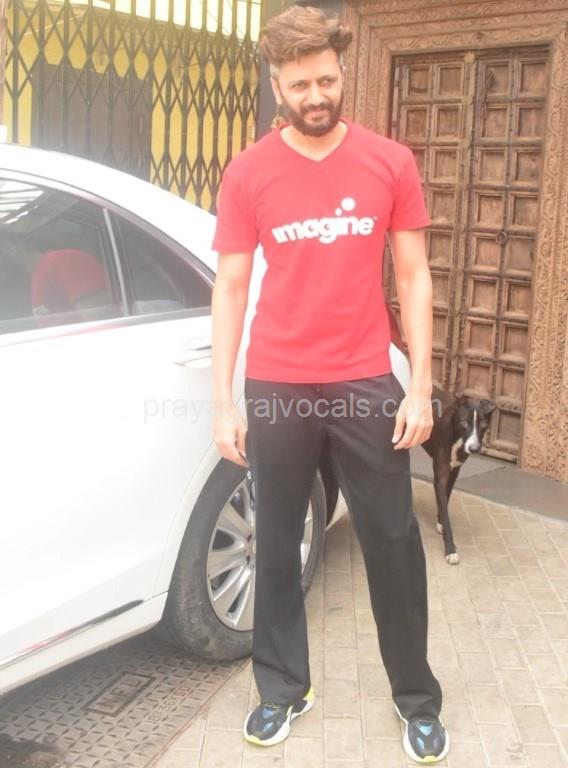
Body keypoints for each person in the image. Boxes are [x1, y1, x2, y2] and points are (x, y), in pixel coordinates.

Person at [210, 5, 448, 764]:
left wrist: (421, 386)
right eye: (300, 84)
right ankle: (282, 688)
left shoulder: (389, 162)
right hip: (278, 382)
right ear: (277, 86)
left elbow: (413, 276)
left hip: (365, 381)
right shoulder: (249, 172)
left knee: (393, 540)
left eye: (326, 79)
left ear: (342, 74)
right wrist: (225, 400)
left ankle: (416, 697)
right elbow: (230, 287)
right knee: (277, 542)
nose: (316, 95)